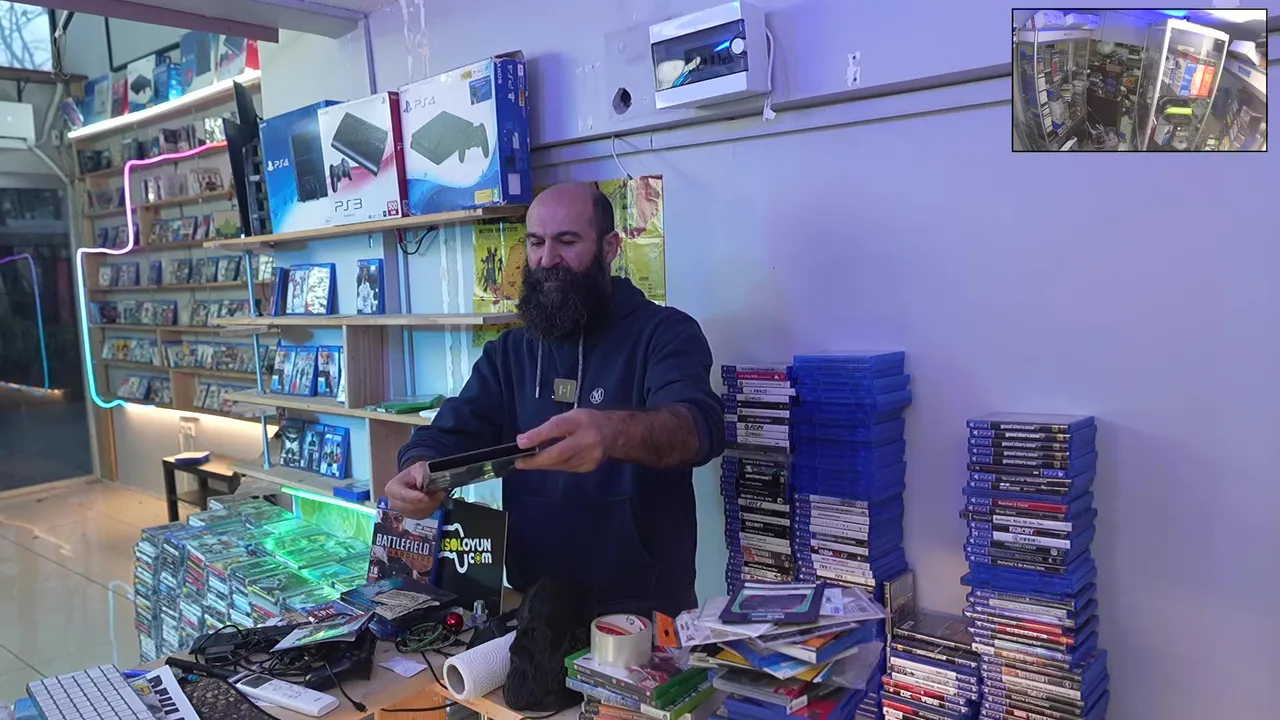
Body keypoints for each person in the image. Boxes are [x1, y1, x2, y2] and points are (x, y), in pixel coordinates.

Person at [386, 181, 724, 617]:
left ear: (609, 247)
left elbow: (698, 427)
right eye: (536, 242)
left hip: (643, 607)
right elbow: (453, 431)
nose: (547, 260)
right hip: (535, 603)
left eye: (567, 241)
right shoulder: (509, 352)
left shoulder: (665, 334)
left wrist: (612, 432)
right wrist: (418, 468)